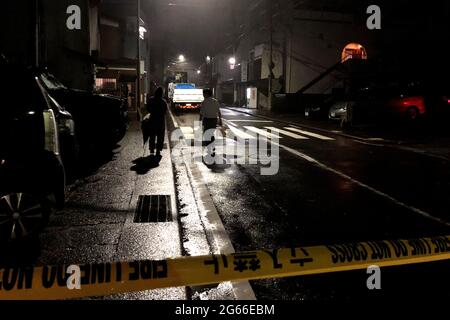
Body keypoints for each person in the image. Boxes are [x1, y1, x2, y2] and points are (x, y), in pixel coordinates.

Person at [199, 89, 222, 158]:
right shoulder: (215, 101)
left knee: (207, 135)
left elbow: (201, 113)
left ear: (206, 94)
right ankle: (212, 148)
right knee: (211, 134)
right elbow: (219, 112)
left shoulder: (204, 102)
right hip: (214, 120)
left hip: (207, 120)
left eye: (204, 94)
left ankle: (210, 149)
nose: (203, 95)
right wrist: (220, 120)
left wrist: (199, 121)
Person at [146, 87, 168, 157]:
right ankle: (158, 150)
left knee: (152, 136)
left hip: (152, 120)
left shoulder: (151, 100)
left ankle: (152, 150)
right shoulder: (163, 102)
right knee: (160, 136)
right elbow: (165, 112)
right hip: (160, 122)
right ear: (161, 94)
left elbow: (148, 109)